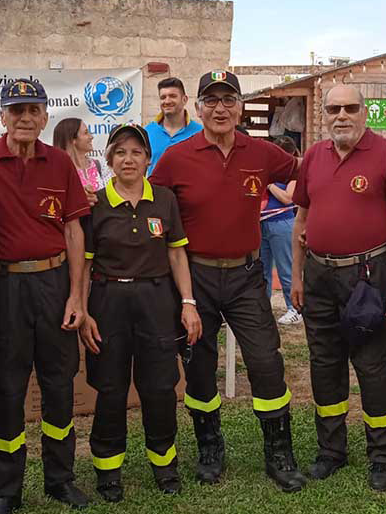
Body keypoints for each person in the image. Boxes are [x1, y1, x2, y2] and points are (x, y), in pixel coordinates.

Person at [150, 70, 307, 492]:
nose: (220, 108)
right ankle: (209, 447)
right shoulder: (176, 158)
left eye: (229, 100)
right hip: (195, 278)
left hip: (246, 275)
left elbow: (308, 173)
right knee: (199, 366)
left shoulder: (262, 153)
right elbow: (147, 205)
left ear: (239, 107)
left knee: (265, 362)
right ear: (197, 108)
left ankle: (279, 452)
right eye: (211, 101)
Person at [0, 78, 91, 513]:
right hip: (5, 287)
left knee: (59, 387)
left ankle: (60, 479)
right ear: (2, 116)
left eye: (32, 109)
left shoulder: (59, 162)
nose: (24, 118)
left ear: (44, 116)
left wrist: (76, 296)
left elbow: (73, 229)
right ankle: (7, 490)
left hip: (54, 286)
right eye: (15, 110)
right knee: (7, 389)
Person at [290, 84, 386, 491]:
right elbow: (300, 221)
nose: (341, 115)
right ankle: (331, 451)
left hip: (370, 276)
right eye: (333, 109)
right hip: (319, 276)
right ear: (324, 115)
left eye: (350, 108)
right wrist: (296, 276)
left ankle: (383, 458)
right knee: (324, 365)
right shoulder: (313, 156)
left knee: (374, 367)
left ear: (365, 112)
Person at [78, 124, 201, 502]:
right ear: (110, 159)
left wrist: (188, 303)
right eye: (120, 153)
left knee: (160, 387)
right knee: (111, 388)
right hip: (108, 301)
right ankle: (107, 470)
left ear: (148, 159)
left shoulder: (163, 200)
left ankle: (164, 465)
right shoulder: (95, 203)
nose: (128, 159)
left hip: (156, 301)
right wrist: (83, 311)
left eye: (136, 152)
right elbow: (84, 264)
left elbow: (177, 253)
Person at [261, 136, 301, 325]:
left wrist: (269, 184)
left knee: (286, 268)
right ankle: (263, 307)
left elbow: (288, 198)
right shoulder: (267, 170)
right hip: (263, 223)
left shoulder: (293, 174)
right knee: (263, 270)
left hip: (282, 224)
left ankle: (294, 308)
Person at [144, 77, 202, 176]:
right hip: (155, 190)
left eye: (172, 96)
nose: (167, 101)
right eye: (163, 97)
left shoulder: (200, 132)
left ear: (184, 99)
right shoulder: (147, 132)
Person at [53, 117, 112, 191]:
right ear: (72, 139)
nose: (91, 137)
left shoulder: (100, 166)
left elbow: (110, 197)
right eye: (86, 133)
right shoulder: (57, 172)